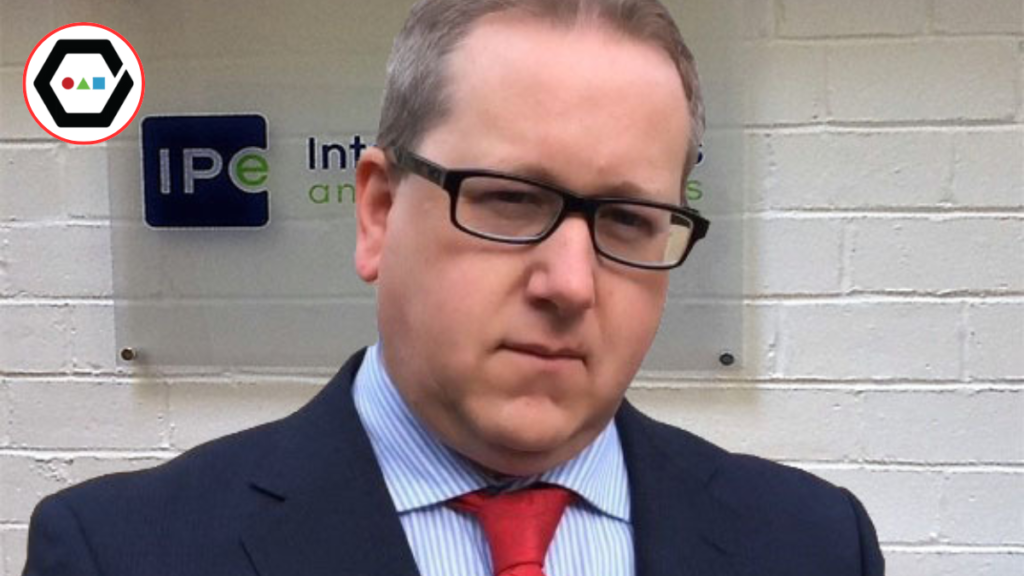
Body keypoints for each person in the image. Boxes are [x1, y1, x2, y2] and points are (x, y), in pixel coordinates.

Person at [23, 0, 885, 575]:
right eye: (510, 200)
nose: (570, 283)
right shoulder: (121, 554)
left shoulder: (813, 546)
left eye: (628, 220)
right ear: (377, 211)